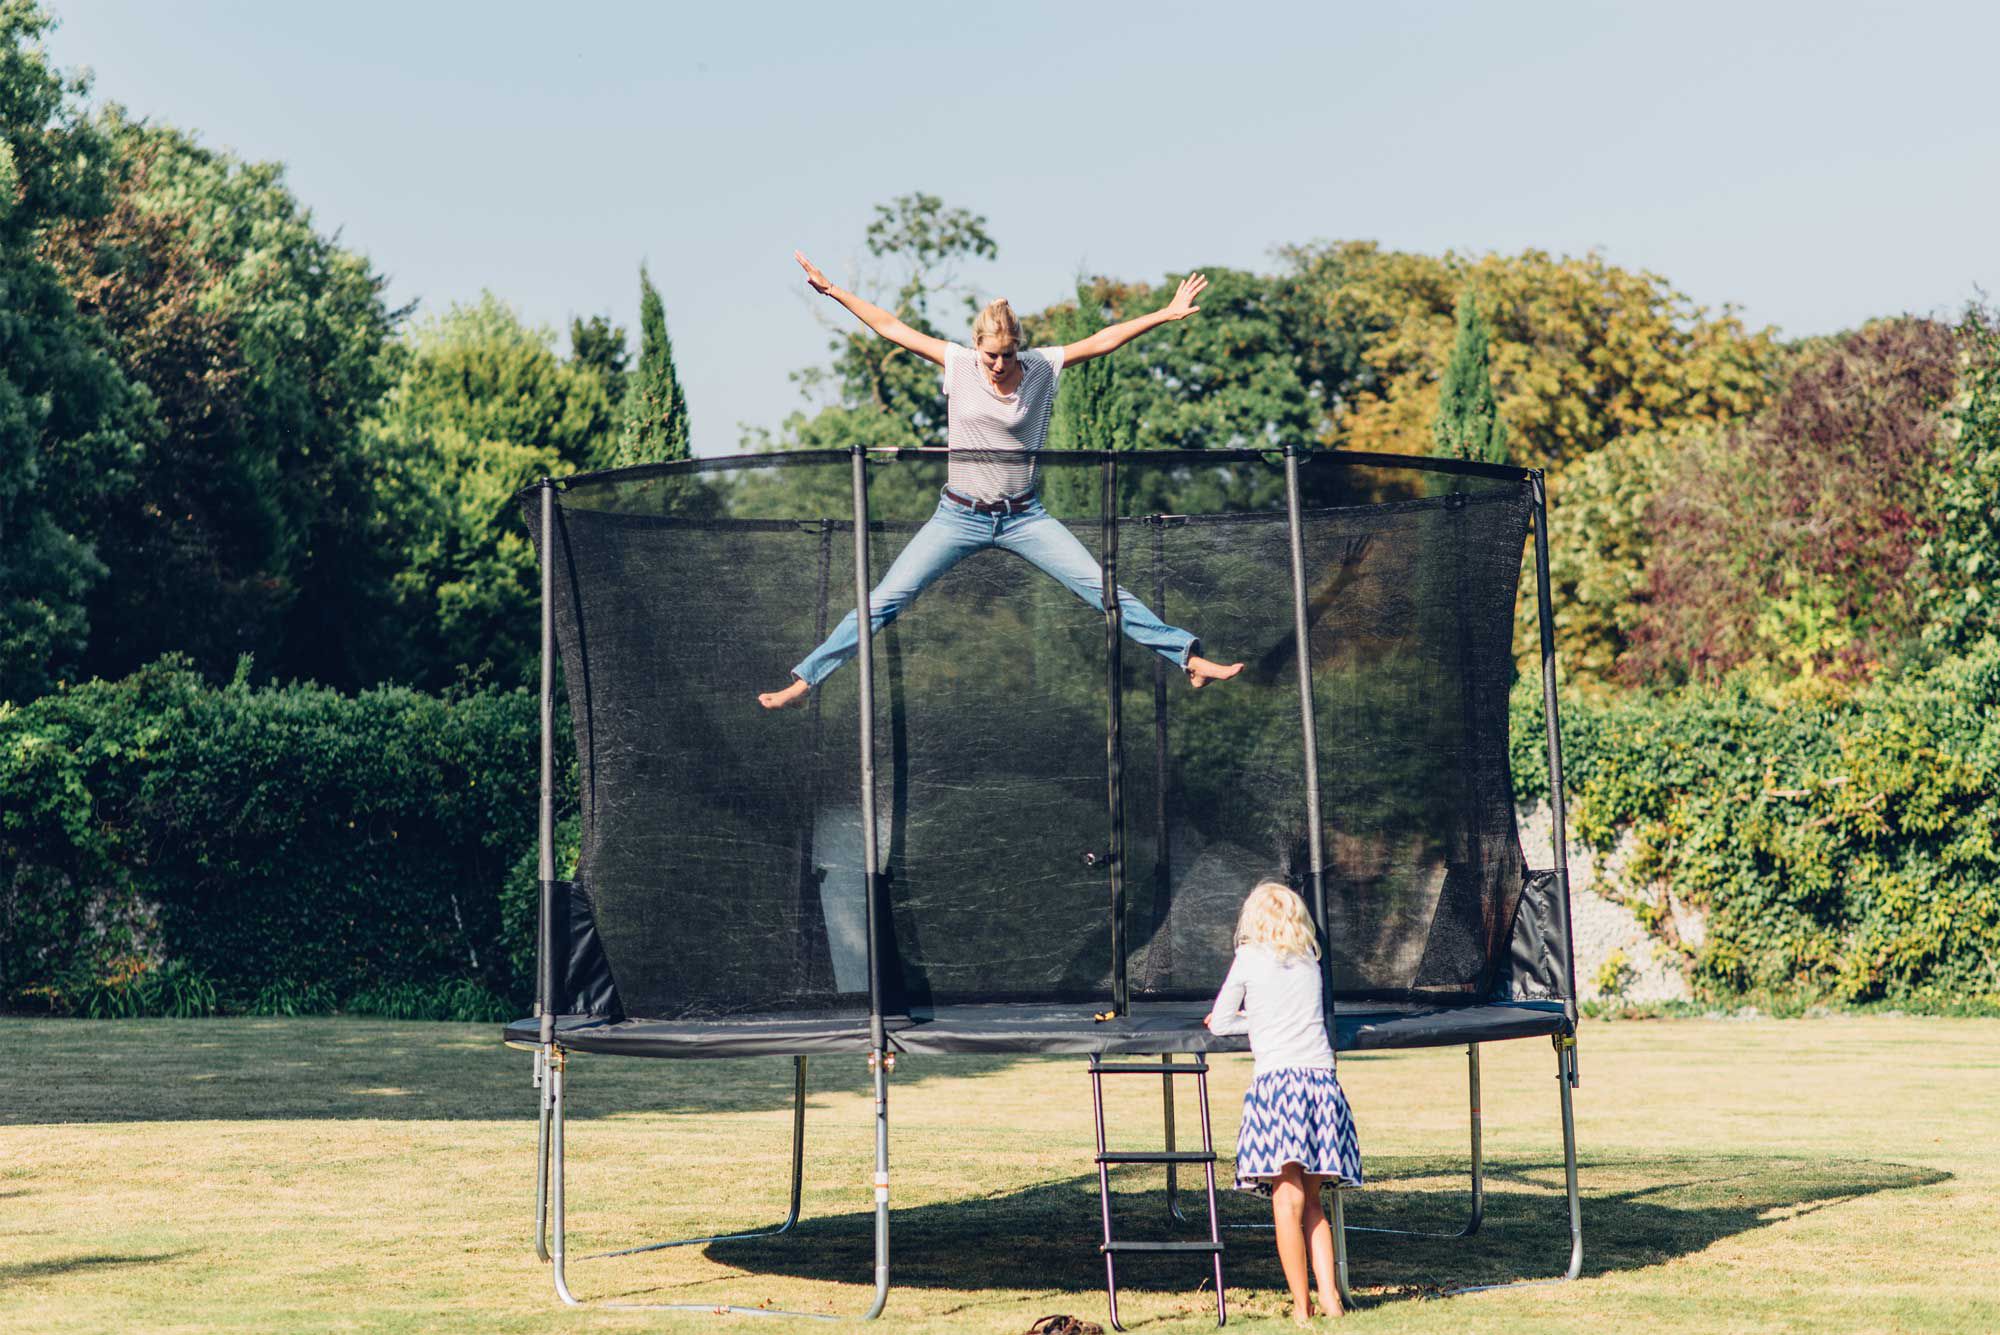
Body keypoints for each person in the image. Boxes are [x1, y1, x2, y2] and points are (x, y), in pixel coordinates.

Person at [757, 251, 1244, 710]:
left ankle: (1189, 659)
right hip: (958, 516)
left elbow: (1101, 340)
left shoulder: (1040, 369)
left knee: (1104, 590)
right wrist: (835, 291)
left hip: (1024, 517)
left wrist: (1164, 313)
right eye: (990, 355)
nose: (997, 365)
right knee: (885, 600)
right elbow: (891, 328)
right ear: (977, 347)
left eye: (1006, 356)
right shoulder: (959, 364)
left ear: (1019, 349)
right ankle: (804, 682)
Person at [1205, 880, 1362, 1323]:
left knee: (1285, 1199)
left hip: (1278, 1087)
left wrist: (1251, 1022)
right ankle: (1331, 1297)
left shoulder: (1249, 959)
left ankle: (1301, 1304)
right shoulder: (1311, 960)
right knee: (1313, 1201)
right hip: (1319, 1083)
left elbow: (1219, 1022)